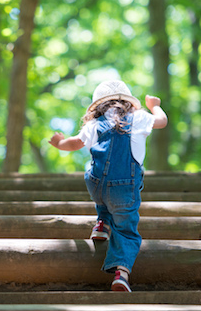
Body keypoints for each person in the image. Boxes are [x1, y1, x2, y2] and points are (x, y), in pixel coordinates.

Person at [48, 79, 168, 292]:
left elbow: (74, 143)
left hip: (96, 187)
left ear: (98, 107)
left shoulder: (94, 124)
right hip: (124, 189)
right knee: (126, 230)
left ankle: (101, 225)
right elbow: (161, 121)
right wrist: (154, 105)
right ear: (129, 104)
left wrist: (58, 143)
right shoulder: (139, 118)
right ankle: (121, 273)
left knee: (100, 182)